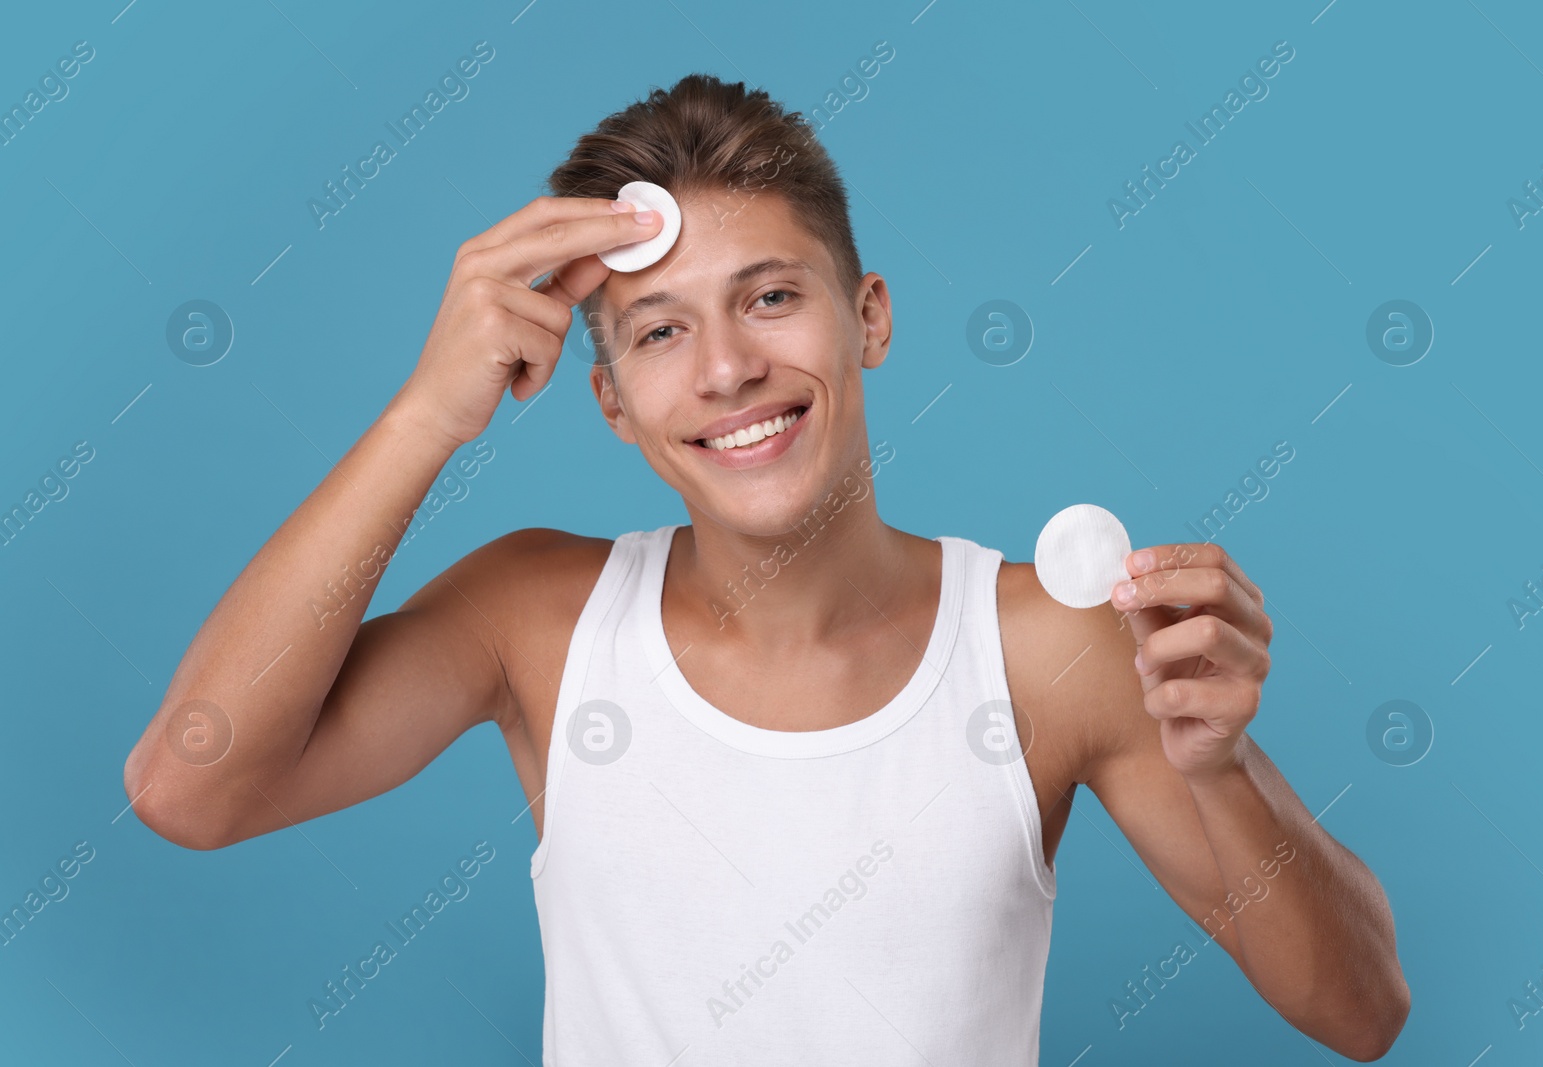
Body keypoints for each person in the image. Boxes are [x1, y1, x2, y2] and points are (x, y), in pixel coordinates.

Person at [123, 73, 1408, 1063]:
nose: (727, 367)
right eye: (661, 330)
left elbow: (1360, 1013)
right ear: (613, 402)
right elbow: (192, 787)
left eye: (771, 296)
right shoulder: (538, 616)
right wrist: (422, 417)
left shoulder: (1046, 644)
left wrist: (1221, 769)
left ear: (870, 319)